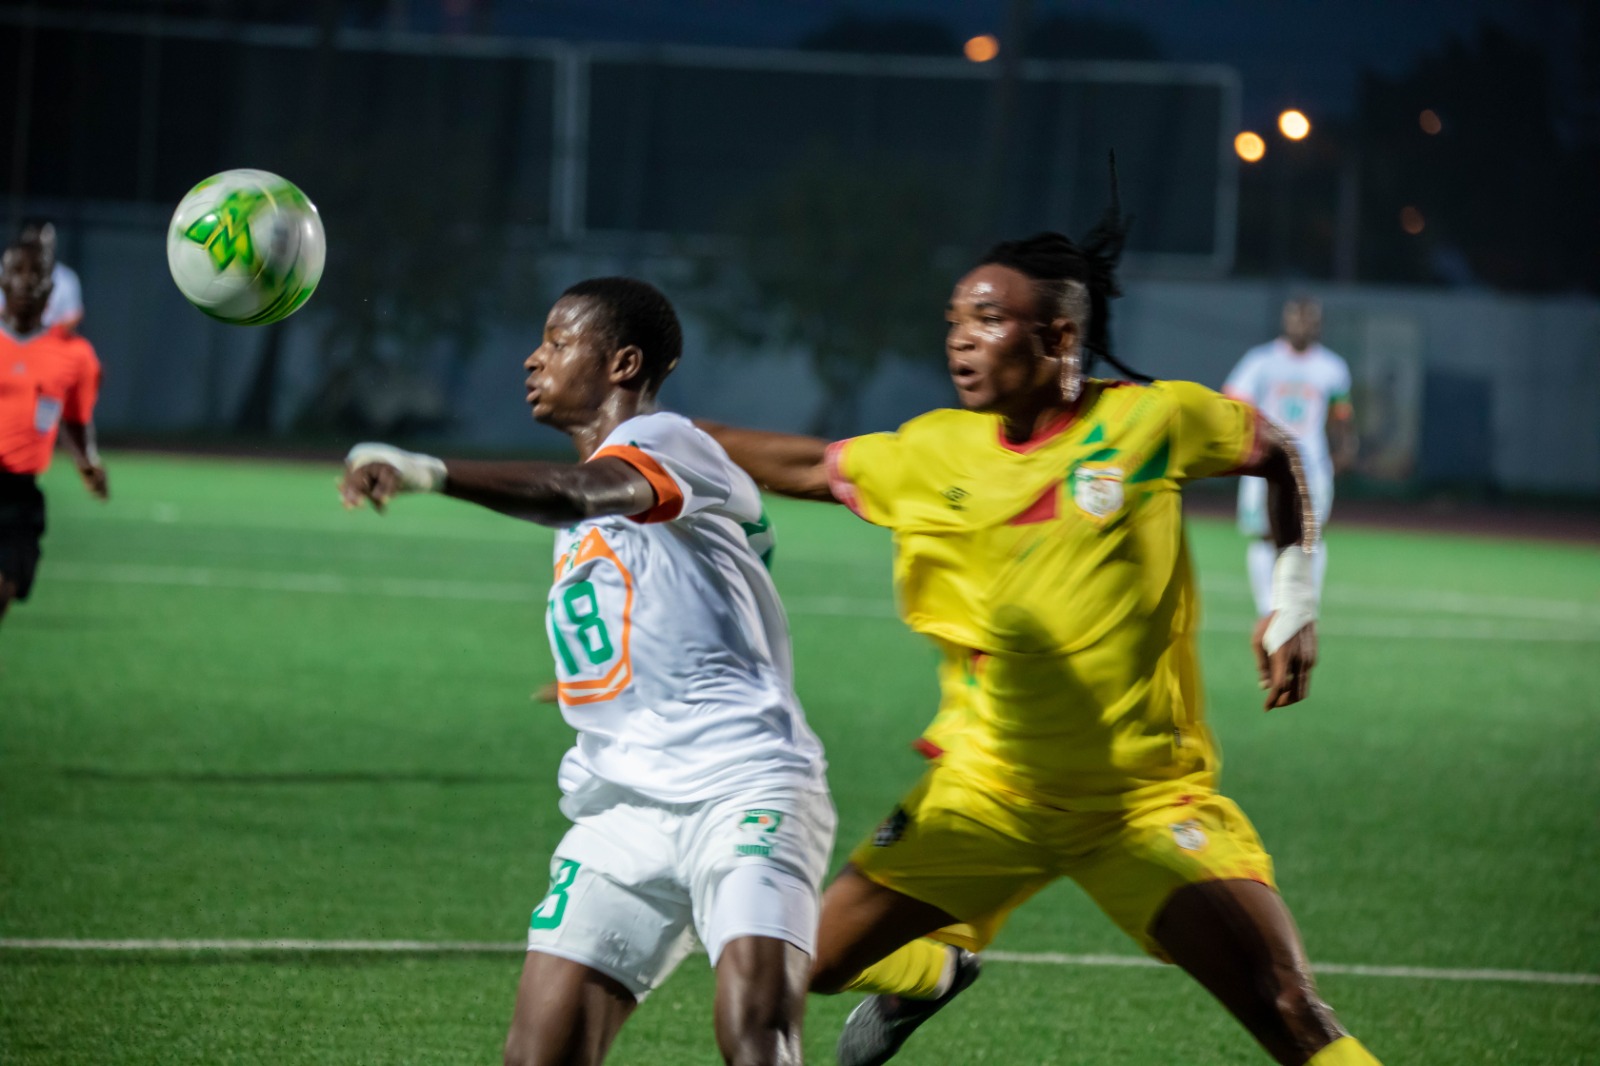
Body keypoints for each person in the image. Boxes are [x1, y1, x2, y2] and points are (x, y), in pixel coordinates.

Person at [700, 224, 1383, 1066]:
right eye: (954, 317)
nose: (959, 336)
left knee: (1287, 1007)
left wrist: (1293, 603)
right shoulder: (932, 449)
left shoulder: (1153, 420)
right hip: (982, 793)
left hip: (1143, 804)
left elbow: (1278, 451)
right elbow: (804, 463)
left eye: (987, 318)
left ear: (1059, 336)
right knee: (799, 962)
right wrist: (647, 437)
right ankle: (932, 970)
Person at [338, 276, 834, 1066]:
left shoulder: (666, 442)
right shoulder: (623, 499)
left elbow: (575, 493)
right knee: (538, 1056)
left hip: (743, 785)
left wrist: (426, 470)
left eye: (558, 341)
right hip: (622, 809)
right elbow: (724, 566)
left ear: (622, 362)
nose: (534, 360)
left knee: (754, 1036)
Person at [1223, 298, 1356, 618]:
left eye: (1310, 319)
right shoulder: (1261, 360)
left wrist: (1346, 447)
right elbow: (1233, 400)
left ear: (1319, 324)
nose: (1303, 325)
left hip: (1312, 466)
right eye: (1297, 318)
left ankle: (1305, 607)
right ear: (1285, 321)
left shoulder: (1332, 366)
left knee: (1311, 535)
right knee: (1265, 534)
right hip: (1265, 465)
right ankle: (1268, 609)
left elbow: (1341, 414)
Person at [0, 240, 107, 632]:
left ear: (50, 291)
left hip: (20, 496)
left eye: (36, 279)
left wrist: (88, 463)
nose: (27, 286)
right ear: (2, 280)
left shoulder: (74, 355)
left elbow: (77, 420)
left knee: (6, 590)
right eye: (18, 274)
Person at [0, 220, 85, 334]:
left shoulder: (66, 278)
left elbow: (74, 315)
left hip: (50, 343)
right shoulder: (6, 269)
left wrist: (45, 334)